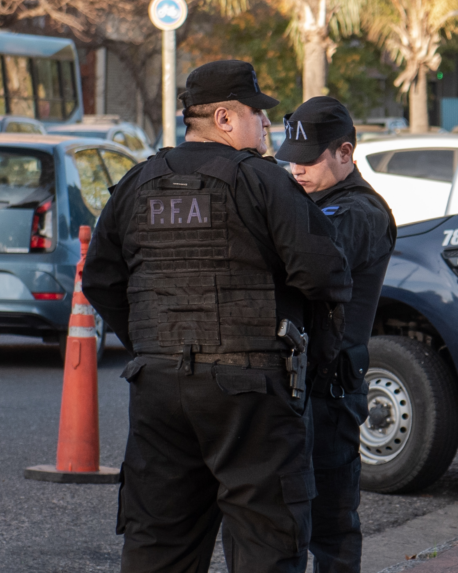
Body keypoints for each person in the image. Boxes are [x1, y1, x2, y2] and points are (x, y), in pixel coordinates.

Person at [81, 61, 352, 573]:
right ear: (225, 118)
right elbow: (325, 275)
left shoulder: (138, 182)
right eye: (258, 113)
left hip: (159, 389)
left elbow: (100, 279)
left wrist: (151, 344)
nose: (267, 125)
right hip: (251, 393)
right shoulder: (262, 182)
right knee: (266, 545)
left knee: (160, 545)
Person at [275, 97, 397, 573]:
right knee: (286, 523)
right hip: (301, 386)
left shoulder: (360, 212)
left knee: (331, 527)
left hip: (330, 390)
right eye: (291, 161)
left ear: (345, 153)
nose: (297, 170)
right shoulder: (309, 201)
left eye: (308, 161)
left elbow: (311, 261)